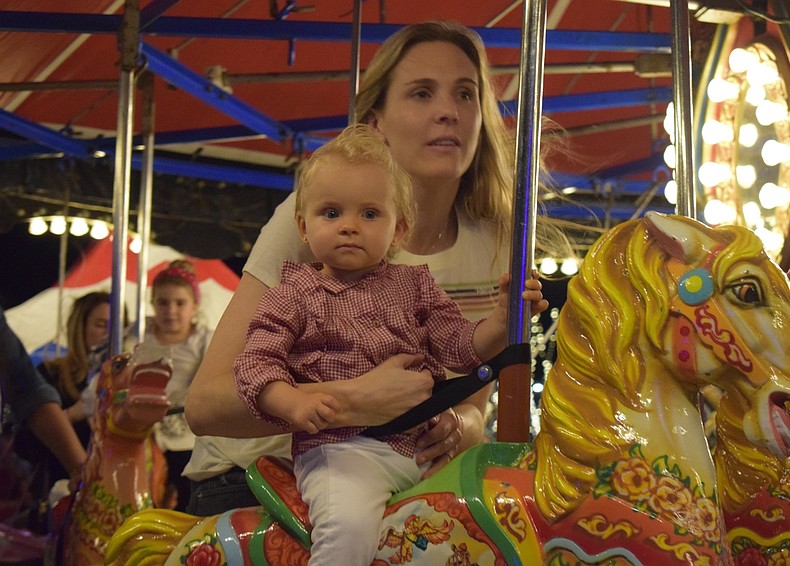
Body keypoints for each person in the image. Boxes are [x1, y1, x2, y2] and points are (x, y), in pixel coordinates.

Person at [183, 20, 571, 516]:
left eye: (466, 94)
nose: (448, 112)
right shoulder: (320, 221)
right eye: (421, 94)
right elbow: (205, 405)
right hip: (261, 477)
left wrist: (459, 425)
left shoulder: (496, 240)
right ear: (375, 124)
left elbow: (474, 398)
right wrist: (351, 401)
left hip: (396, 476)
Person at [232, 124, 547, 564]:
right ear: (303, 227)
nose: (348, 227)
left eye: (369, 214)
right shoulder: (294, 294)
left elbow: (460, 345)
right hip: (341, 452)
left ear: (399, 230)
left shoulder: (414, 287)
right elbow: (254, 363)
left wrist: (501, 317)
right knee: (348, 531)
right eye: (330, 213)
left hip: (419, 453)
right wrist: (289, 402)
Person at [12, 291, 110, 530]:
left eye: (117, 326)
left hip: (108, 496)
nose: (109, 333)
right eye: (100, 325)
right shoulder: (52, 375)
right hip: (60, 494)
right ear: (79, 327)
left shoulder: (119, 382)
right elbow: (24, 445)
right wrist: (68, 417)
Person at [140, 260, 212, 512]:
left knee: (187, 491)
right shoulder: (138, 334)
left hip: (183, 430)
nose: (170, 310)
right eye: (162, 302)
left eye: (179, 303)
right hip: (142, 427)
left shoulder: (204, 340)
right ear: (152, 305)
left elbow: (208, 380)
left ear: (194, 306)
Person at [0, 304, 88, 495]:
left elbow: (28, 389)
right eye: (99, 324)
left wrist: (82, 470)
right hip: (49, 482)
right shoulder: (54, 372)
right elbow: (31, 397)